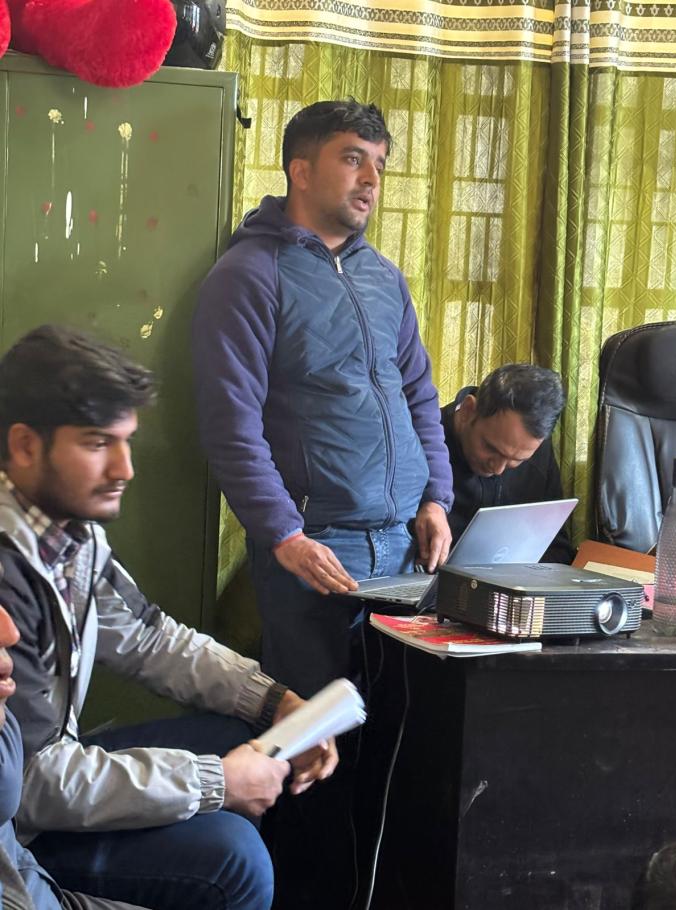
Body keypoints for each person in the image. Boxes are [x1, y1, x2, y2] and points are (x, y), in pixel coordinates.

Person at [0, 324, 338, 910]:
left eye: (127, 441)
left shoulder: (68, 533)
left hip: (57, 766)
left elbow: (150, 638)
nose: (125, 468)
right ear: (26, 446)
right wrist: (217, 783)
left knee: (250, 736)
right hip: (27, 823)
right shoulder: (9, 573)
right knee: (236, 863)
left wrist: (277, 702)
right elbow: (26, 783)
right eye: (98, 444)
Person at [192, 99, 454, 698]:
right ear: (301, 171)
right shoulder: (249, 274)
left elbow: (419, 397)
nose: (372, 180)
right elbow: (230, 424)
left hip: (406, 547)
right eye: (353, 159)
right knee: (316, 726)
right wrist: (284, 535)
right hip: (317, 549)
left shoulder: (384, 277)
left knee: (403, 725)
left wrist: (436, 499)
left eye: (379, 164)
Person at [0, 602, 150, 910]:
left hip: (41, 890)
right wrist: (214, 780)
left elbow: (147, 629)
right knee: (233, 856)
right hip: (48, 814)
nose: (11, 632)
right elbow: (36, 773)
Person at [441, 362, 575, 564]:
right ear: (468, 411)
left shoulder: (534, 448)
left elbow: (556, 547)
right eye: (491, 448)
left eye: (517, 460)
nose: (498, 469)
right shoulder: (421, 444)